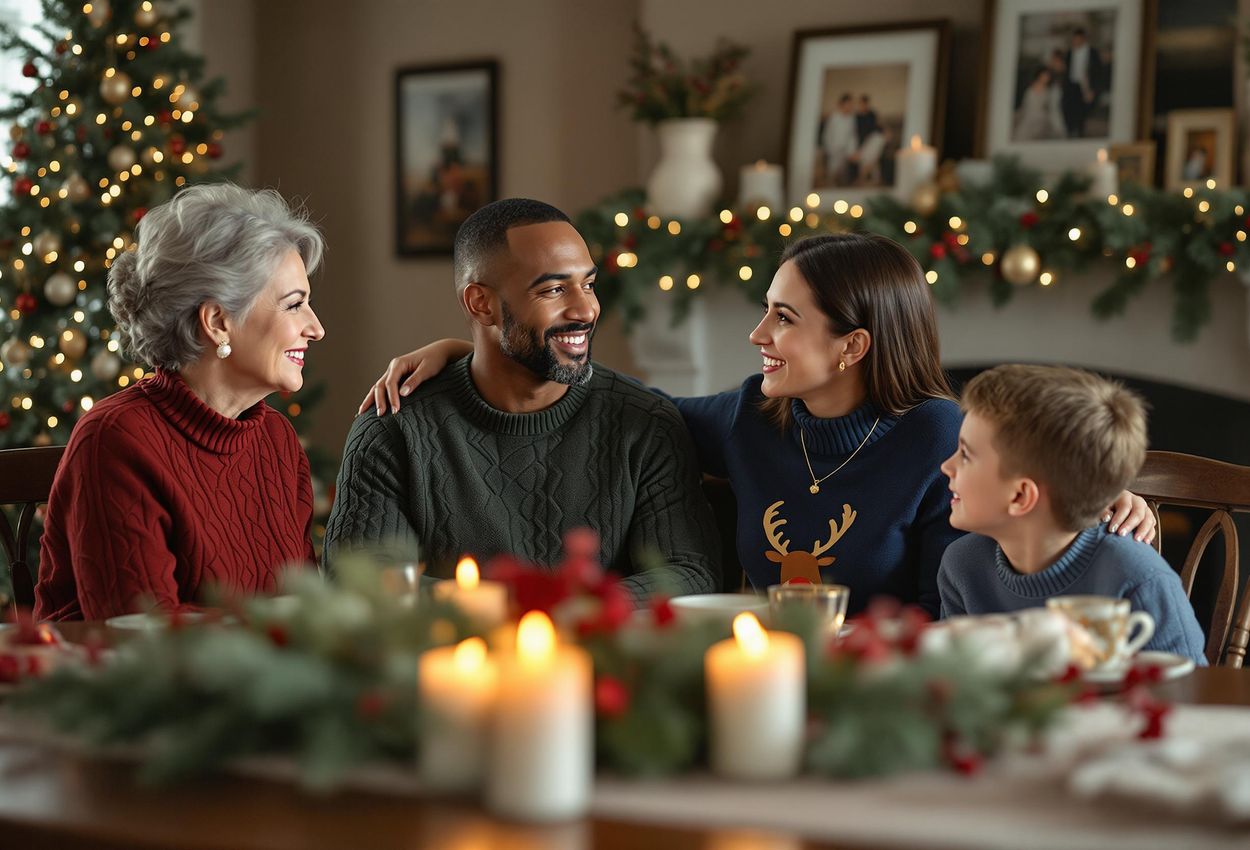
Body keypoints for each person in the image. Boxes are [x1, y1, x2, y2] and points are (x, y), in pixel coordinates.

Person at [362, 233, 1157, 617]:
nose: (758, 337)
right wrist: (475, 351)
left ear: (852, 346)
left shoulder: (944, 440)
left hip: (893, 696)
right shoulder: (748, 416)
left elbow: (1037, 495)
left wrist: (1117, 499)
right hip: (766, 675)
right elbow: (617, 400)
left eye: (782, 319)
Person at [324, 198, 719, 602]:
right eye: (553, 289)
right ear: (481, 304)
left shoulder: (645, 422)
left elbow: (689, 571)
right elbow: (359, 579)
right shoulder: (394, 426)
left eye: (588, 284)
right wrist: (515, 610)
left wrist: (553, 610)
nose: (586, 309)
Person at [35, 184, 326, 621]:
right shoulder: (116, 440)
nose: (315, 328)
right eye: (294, 305)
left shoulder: (275, 440)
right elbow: (142, 640)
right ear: (217, 322)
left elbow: (309, 613)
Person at [937, 365, 1206, 663]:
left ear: (1021, 496)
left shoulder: (1137, 578)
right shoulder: (961, 565)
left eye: (965, 455)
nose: (946, 467)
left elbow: (1193, 694)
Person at [1061, 27, 1105, 138]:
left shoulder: (1092, 53)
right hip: (1072, 85)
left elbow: (1098, 73)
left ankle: (1080, 132)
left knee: (1082, 111)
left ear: (1083, 39)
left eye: (1077, 39)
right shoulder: (1070, 53)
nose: (1075, 41)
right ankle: (1071, 131)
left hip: (1085, 85)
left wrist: (1093, 89)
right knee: (1070, 108)